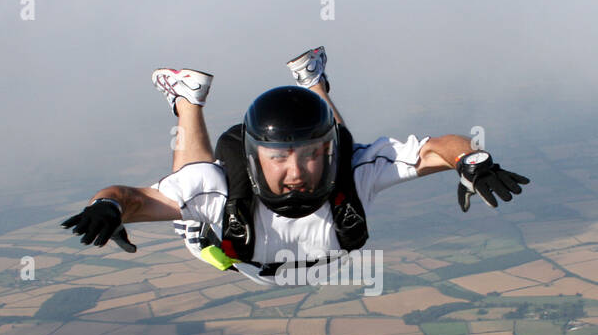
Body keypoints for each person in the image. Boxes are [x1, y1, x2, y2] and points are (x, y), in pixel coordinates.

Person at [61, 47, 530, 287]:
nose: (296, 171)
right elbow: (137, 198)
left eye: (308, 156)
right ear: (254, 156)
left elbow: (436, 148)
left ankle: (311, 83)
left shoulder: (352, 168)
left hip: (273, 256)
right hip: (231, 252)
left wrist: (472, 159)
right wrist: (108, 206)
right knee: (193, 186)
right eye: (278, 157)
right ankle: (189, 100)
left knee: (345, 146)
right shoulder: (216, 193)